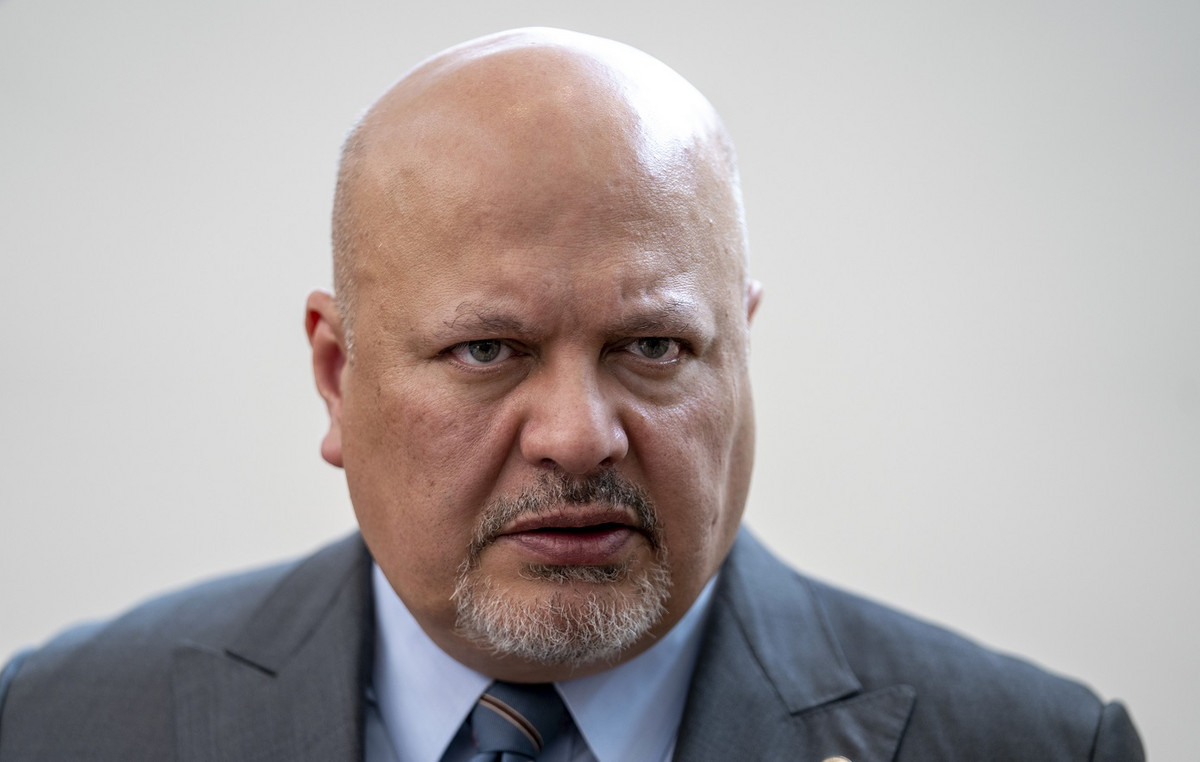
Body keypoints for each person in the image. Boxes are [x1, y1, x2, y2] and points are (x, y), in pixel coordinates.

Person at [0, 27, 1143, 762]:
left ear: (739, 354)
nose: (578, 435)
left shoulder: (1035, 745)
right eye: (487, 351)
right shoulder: (57, 725)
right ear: (338, 378)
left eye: (652, 346)